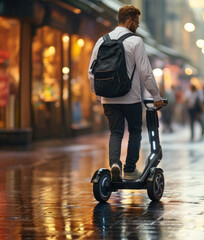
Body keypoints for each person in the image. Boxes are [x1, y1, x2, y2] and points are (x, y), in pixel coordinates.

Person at [88, 5, 164, 181]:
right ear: (129, 20)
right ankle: (129, 169)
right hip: (130, 98)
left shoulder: (101, 40)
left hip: (108, 98)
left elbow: (91, 72)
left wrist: (99, 94)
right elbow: (145, 72)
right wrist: (156, 97)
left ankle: (115, 164)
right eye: (136, 22)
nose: (137, 26)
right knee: (135, 131)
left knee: (115, 132)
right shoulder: (135, 41)